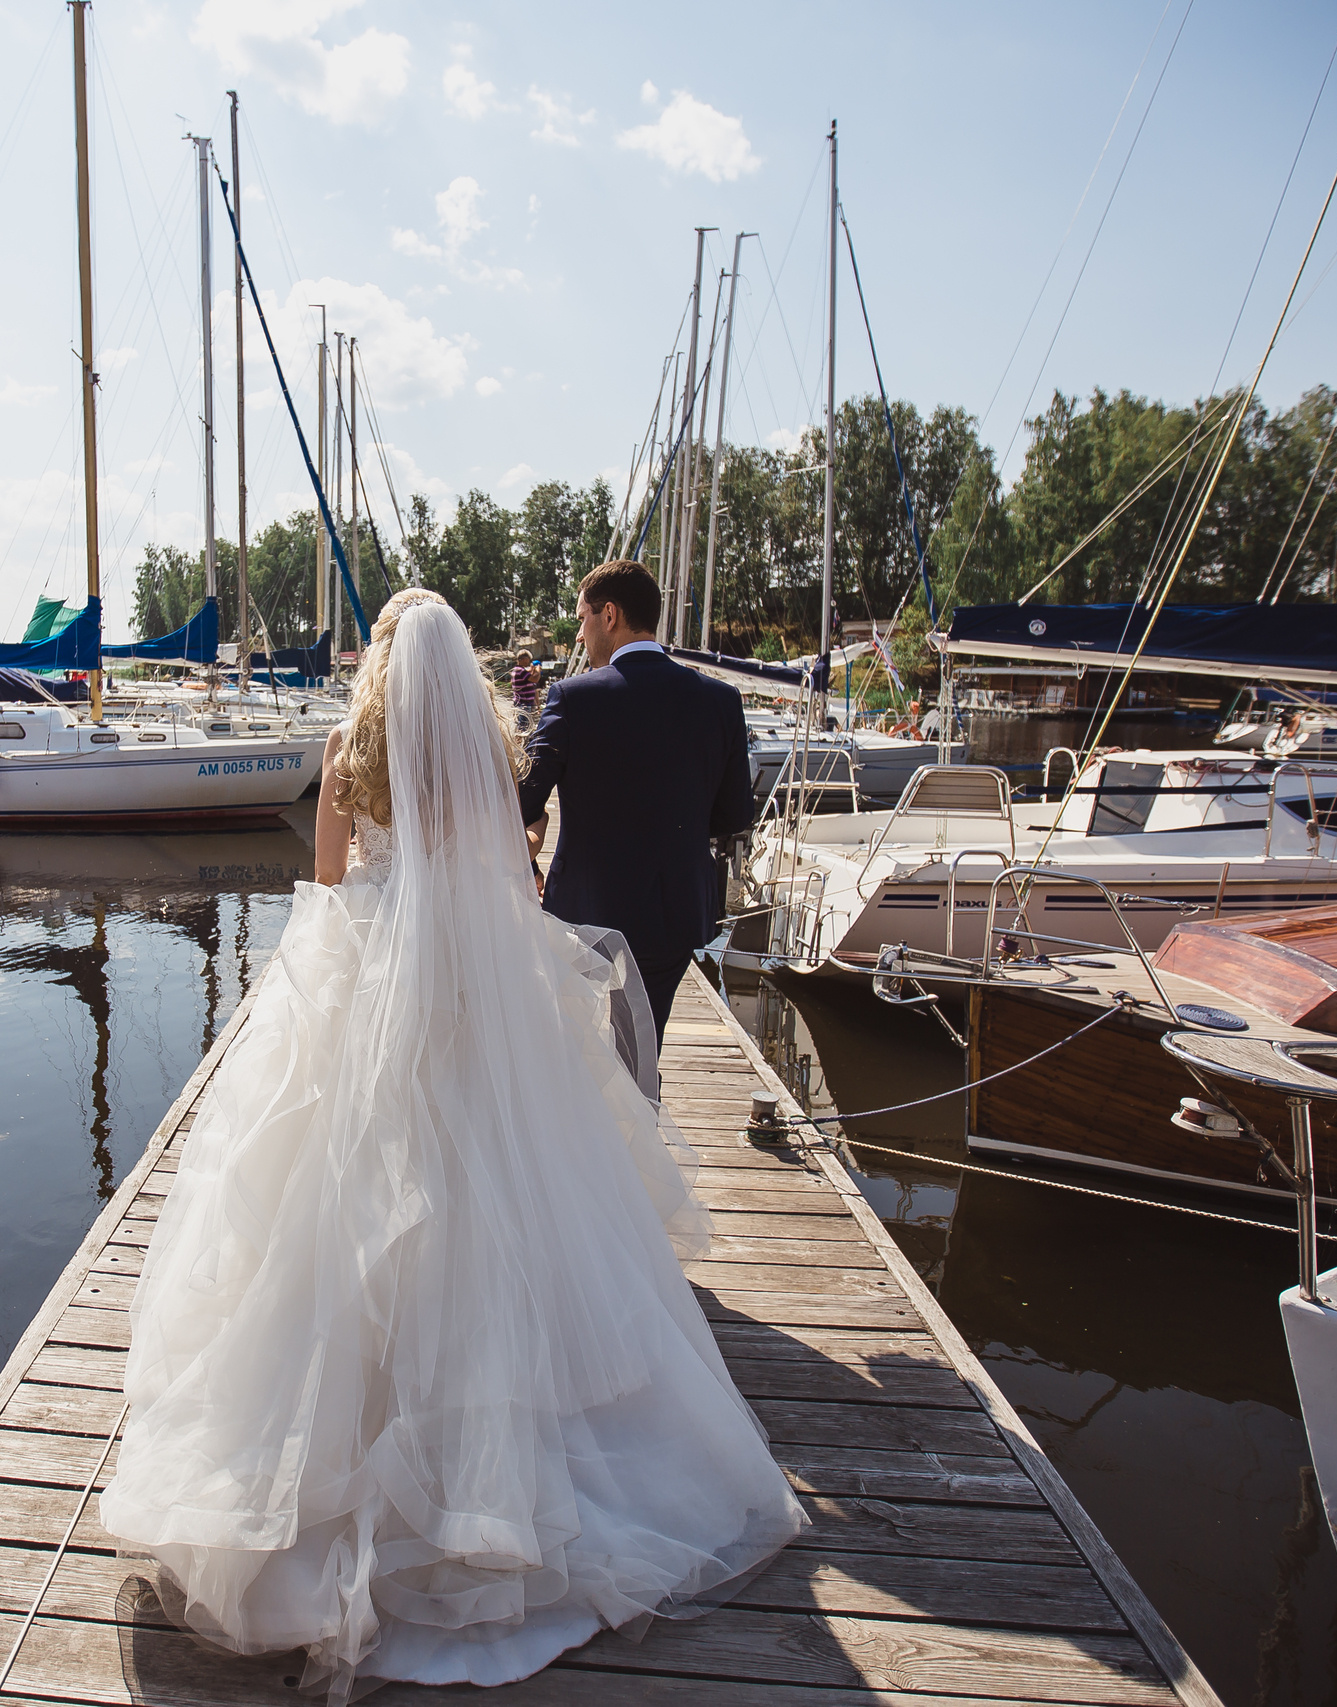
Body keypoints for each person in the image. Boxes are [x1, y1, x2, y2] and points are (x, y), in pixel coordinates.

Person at [101, 587, 803, 1700]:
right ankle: (507, 1458)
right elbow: (510, 877)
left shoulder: (343, 748)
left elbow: (327, 883)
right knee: (498, 1186)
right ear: (458, 666)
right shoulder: (487, 743)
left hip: (366, 979)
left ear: (380, 664)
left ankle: (328, 1467)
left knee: (333, 1202)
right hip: (470, 985)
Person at [518, 562, 754, 1049]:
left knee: (578, 1053)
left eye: (582, 619)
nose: (580, 636)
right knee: (641, 1049)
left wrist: (529, 850)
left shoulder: (572, 697)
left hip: (586, 912)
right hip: (675, 911)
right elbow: (735, 818)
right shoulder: (721, 700)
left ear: (609, 615)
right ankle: (643, 1112)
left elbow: (524, 800)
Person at [509, 649, 541, 727]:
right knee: (524, 727)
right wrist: (538, 671)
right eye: (528, 659)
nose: (529, 661)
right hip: (523, 703)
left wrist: (533, 671)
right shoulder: (520, 671)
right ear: (523, 659)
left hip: (523, 703)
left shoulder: (519, 670)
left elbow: (529, 676)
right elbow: (534, 679)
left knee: (524, 725)